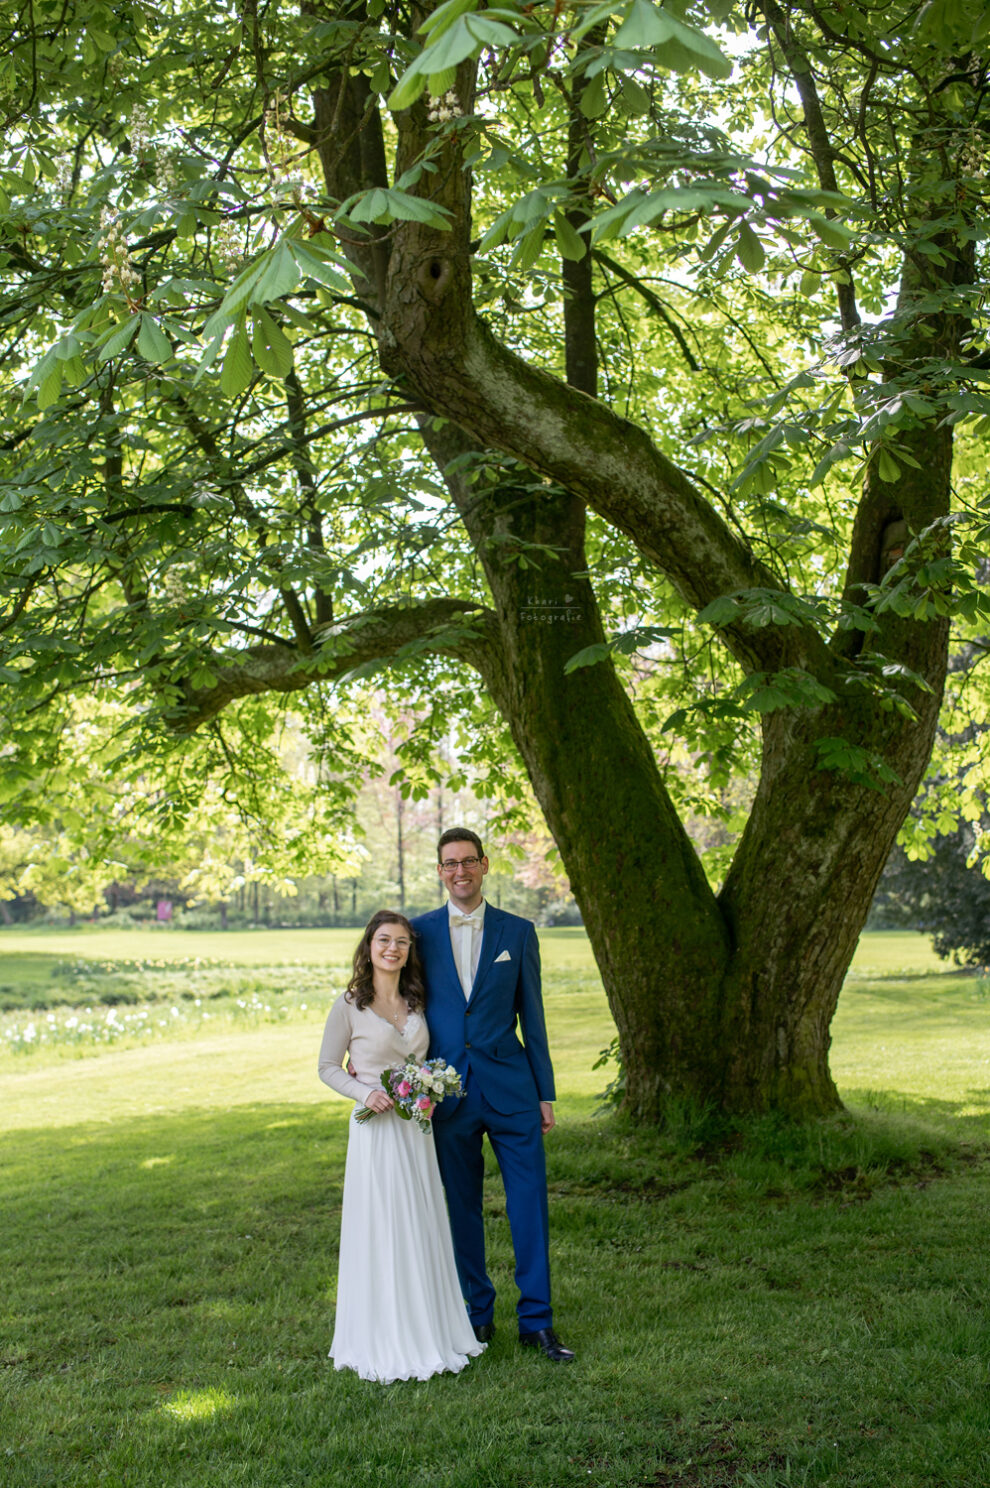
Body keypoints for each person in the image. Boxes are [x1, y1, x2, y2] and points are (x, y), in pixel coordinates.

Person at [410, 828, 574, 1363]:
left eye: (468, 862)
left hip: (513, 1089)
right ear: (440, 871)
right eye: (449, 864)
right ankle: (476, 1315)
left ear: (484, 865)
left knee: (529, 1204)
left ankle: (537, 1321)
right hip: (448, 1093)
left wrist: (545, 1091)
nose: (459, 871)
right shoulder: (418, 934)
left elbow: (535, 1016)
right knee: (461, 1209)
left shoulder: (519, 932)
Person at [318, 909, 485, 1383]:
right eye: (384, 940)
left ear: (410, 951)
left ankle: (430, 1326)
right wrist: (364, 1092)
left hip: (417, 1129)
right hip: (376, 1129)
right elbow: (328, 1066)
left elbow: (424, 1059)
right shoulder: (349, 1004)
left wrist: (428, 1086)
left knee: (421, 1221)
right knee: (385, 1225)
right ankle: (385, 1335)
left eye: (402, 943)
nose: (393, 949)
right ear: (369, 946)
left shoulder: (417, 1001)